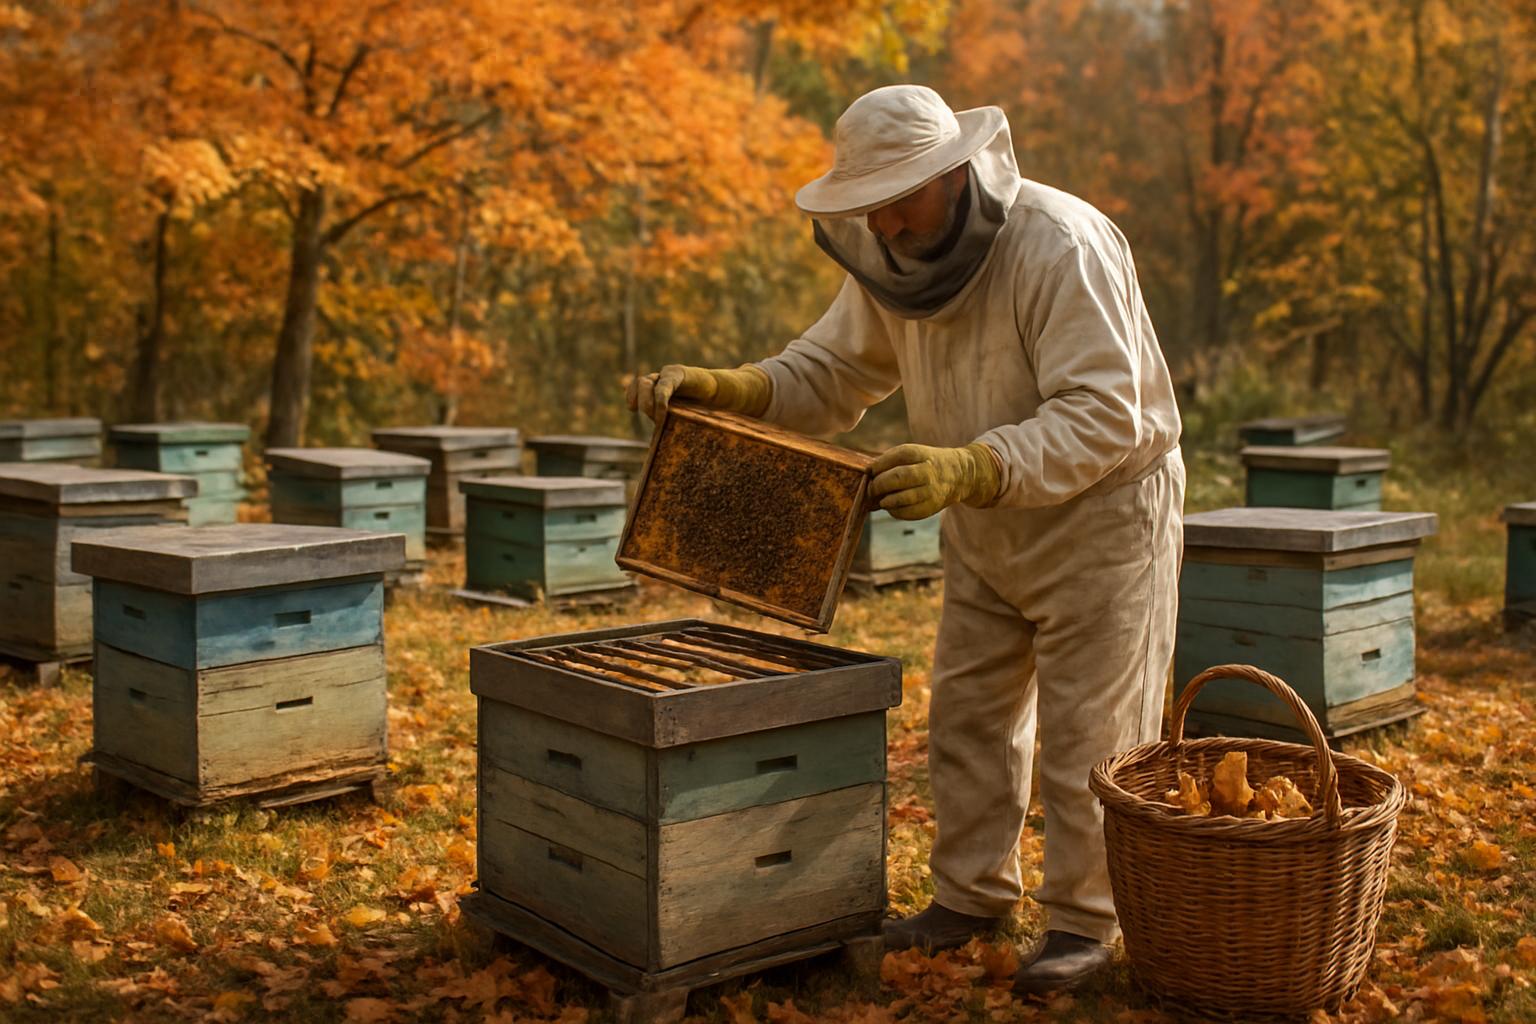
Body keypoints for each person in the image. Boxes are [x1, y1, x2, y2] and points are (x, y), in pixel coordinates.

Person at [625, 84, 1183, 996]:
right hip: (987, 521)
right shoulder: (896, 256)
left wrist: (971, 467)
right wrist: (734, 389)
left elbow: (1105, 415)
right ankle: (970, 898)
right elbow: (836, 369)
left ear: (955, 173)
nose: (883, 220)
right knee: (969, 716)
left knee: (1094, 732)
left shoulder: (1061, 243)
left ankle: (1086, 922)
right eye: (868, 204)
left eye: (901, 197)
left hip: (1102, 519)